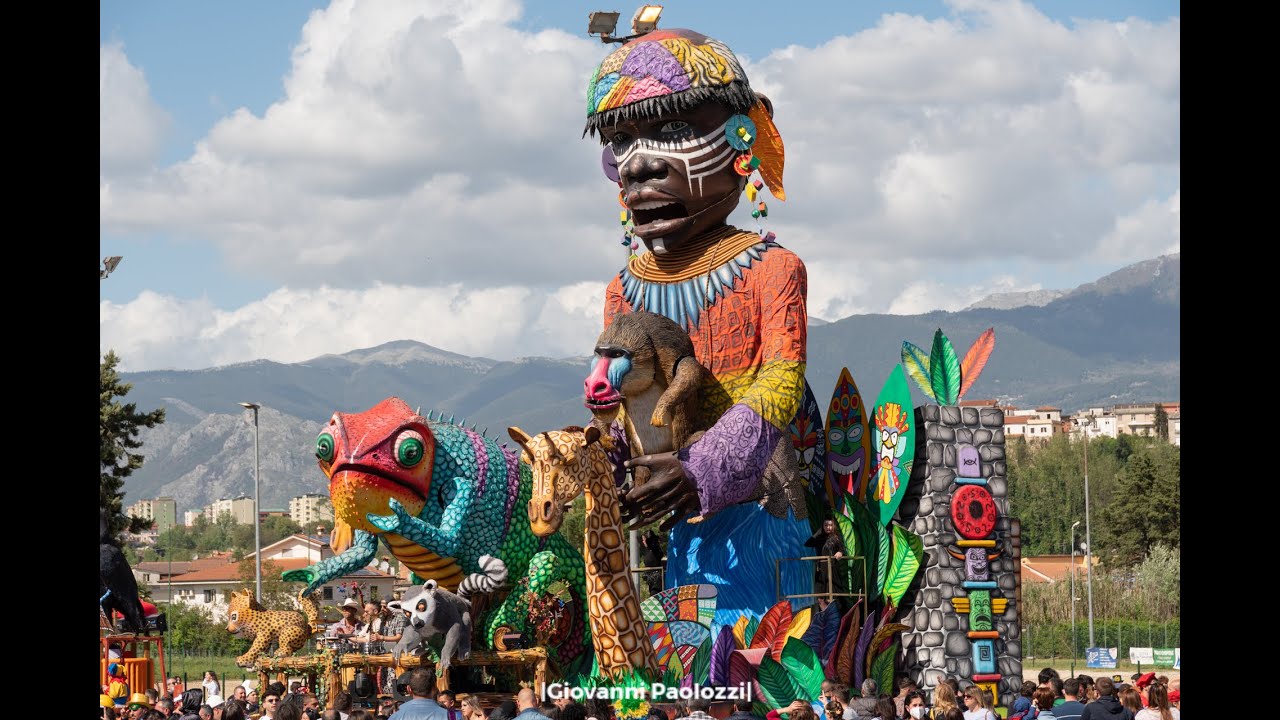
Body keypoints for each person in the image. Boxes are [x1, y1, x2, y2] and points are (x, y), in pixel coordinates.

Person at [583, 25, 815, 629]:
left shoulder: (774, 269)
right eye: (620, 141)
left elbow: (781, 385)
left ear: (746, 136)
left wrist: (703, 467)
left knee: (765, 644)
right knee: (692, 645)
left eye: (675, 129)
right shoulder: (622, 290)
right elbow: (614, 399)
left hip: (761, 499)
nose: (639, 166)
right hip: (675, 512)